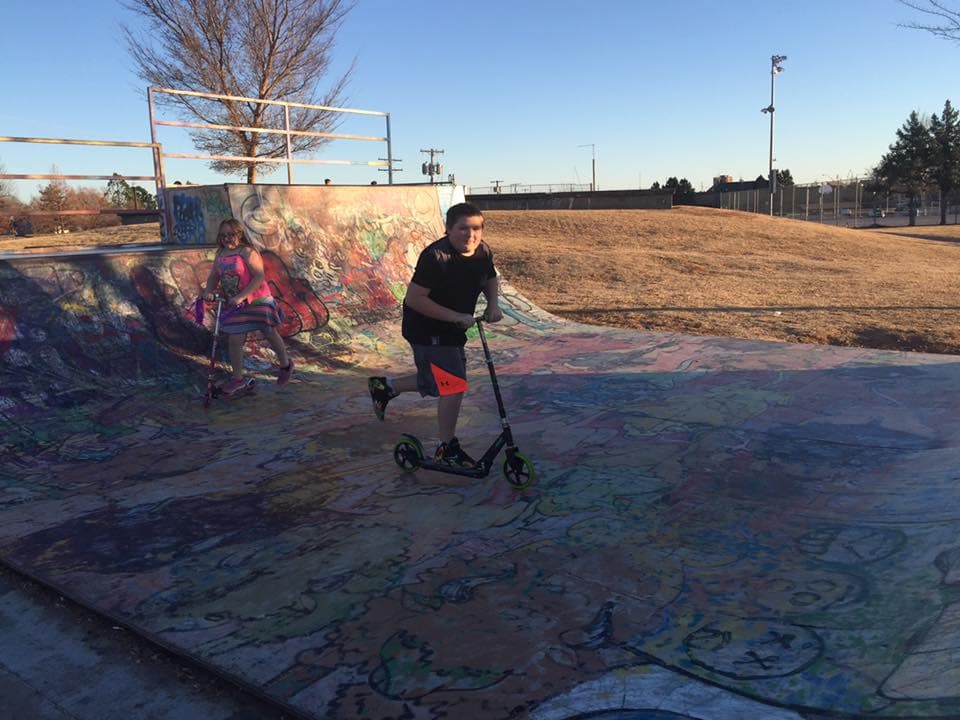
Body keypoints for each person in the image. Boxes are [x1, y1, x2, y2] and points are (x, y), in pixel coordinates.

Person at [368, 202, 503, 466]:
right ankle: (447, 449)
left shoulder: (483, 251)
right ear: (448, 229)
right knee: (454, 384)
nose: (471, 234)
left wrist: (493, 304)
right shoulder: (436, 257)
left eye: (477, 228)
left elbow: (489, 277)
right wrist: (455, 316)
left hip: (453, 327)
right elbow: (415, 299)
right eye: (463, 228)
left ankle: (386, 388)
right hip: (425, 328)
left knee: (436, 381)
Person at [202, 218, 294, 393]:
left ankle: (285, 365)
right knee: (235, 339)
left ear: (239, 234)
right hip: (235, 304)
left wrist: (242, 296)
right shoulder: (221, 254)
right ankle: (238, 379)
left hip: (257, 299)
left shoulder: (247, 251)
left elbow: (259, 277)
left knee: (269, 332)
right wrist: (208, 290)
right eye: (223, 235)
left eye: (230, 235)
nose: (226, 239)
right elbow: (214, 275)